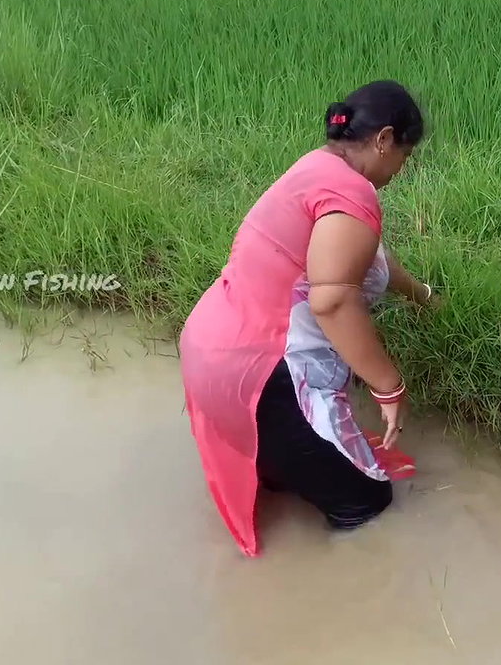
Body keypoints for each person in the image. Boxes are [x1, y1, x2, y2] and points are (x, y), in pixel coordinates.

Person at [180, 80, 435, 556]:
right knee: (367, 504)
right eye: (405, 153)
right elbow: (333, 301)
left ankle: (287, 469)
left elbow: (370, 259)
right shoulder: (354, 193)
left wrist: (424, 296)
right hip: (259, 374)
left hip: (209, 352)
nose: (403, 168)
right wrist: (388, 385)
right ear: (383, 140)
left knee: (300, 468)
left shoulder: (315, 169)